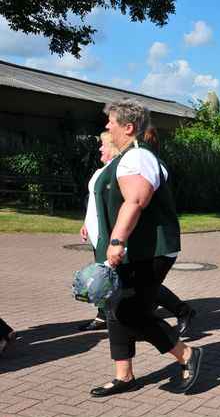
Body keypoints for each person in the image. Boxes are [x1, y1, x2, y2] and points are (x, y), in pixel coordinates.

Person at [89, 98, 201, 397]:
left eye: (111, 121)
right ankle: (124, 376)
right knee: (116, 309)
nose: (107, 125)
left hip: (148, 250)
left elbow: (136, 200)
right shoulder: (124, 158)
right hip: (133, 252)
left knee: (131, 313)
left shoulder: (137, 158)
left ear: (128, 127)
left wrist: (117, 241)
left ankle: (187, 354)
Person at [78, 132, 196, 336]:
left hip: (121, 240)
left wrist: (118, 239)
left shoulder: (135, 165)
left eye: (104, 144)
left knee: (135, 290)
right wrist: (88, 222)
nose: (100, 148)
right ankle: (107, 318)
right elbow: (98, 202)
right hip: (103, 237)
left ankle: (179, 316)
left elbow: (134, 202)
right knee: (115, 285)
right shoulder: (106, 170)